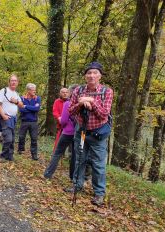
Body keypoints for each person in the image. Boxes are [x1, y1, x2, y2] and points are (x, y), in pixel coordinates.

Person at [64, 62, 113, 206]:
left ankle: (99, 193)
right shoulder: (78, 90)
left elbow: (104, 114)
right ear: (85, 75)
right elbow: (70, 111)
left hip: (98, 133)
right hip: (81, 132)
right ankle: (76, 185)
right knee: (79, 158)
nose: (91, 75)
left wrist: (91, 101)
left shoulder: (106, 92)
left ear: (100, 76)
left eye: (95, 73)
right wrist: (80, 104)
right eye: (89, 73)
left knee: (98, 163)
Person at [44, 85, 77, 180]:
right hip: (78, 133)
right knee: (75, 155)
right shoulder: (82, 103)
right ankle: (73, 177)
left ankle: (48, 174)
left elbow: (63, 121)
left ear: (70, 93)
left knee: (57, 153)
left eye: (68, 92)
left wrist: (62, 123)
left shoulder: (68, 103)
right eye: (63, 92)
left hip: (67, 132)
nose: (66, 93)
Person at [0, 74, 24, 161]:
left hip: (13, 119)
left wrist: (16, 101)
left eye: (15, 81)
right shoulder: (3, 91)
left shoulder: (16, 93)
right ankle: (3, 155)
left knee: (11, 138)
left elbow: (22, 105)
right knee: (8, 138)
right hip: (5, 118)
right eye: (12, 80)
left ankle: (10, 156)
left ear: (17, 83)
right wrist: (3, 115)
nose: (14, 82)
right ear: (9, 82)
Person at [17, 83, 41, 160]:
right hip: (24, 121)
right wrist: (31, 108)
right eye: (33, 90)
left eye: (35, 90)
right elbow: (21, 109)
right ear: (28, 90)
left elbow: (36, 109)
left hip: (34, 122)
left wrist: (26, 106)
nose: (34, 91)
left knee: (34, 138)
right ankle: (20, 150)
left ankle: (34, 155)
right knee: (21, 137)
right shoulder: (22, 98)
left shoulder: (37, 98)